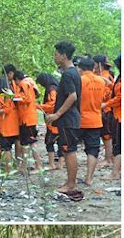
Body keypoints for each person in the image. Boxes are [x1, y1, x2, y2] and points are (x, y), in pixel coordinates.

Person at [45, 41, 82, 197]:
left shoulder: (68, 74)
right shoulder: (74, 72)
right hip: (71, 119)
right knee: (67, 150)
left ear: (63, 55)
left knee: (69, 150)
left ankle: (71, 185)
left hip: (68, 119)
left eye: (56, 54)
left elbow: (72, 96)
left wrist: (56, 114)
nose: (55, 57)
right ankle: (69, 182)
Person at [77, 57, 107, 186]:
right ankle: (89, 178)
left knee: (70, 148)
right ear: (93, 68)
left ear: (80, 68)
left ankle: (71, 179)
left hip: (80, 120)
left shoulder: (80, 80)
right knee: (93, 150)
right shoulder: (101, 81)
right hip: (96, 120)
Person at [14, 71, 42, 172]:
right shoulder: (30, 82)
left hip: (27, 119)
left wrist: (14, 97)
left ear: (17, 79)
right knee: (27, 142)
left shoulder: (24, 84)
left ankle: (35, 166)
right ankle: (26, 165)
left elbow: (26, 98)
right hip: (29, 117)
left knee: (29, 143)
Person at [35, 73, 62, 171]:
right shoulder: (57, 87)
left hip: (53, 120)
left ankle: (52, 164)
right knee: (60, 140)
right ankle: (60, 164)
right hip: (58, 119)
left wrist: (38, 106)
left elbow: (52, 104)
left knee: (49, 141)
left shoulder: (51, 89)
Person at [102, 54, 121, 181]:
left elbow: (120, 97)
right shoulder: (119, 78)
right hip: (116, 114)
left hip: (119, 116)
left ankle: (115, 173)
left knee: (118, 145)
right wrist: (110, 84)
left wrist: (106, 103)